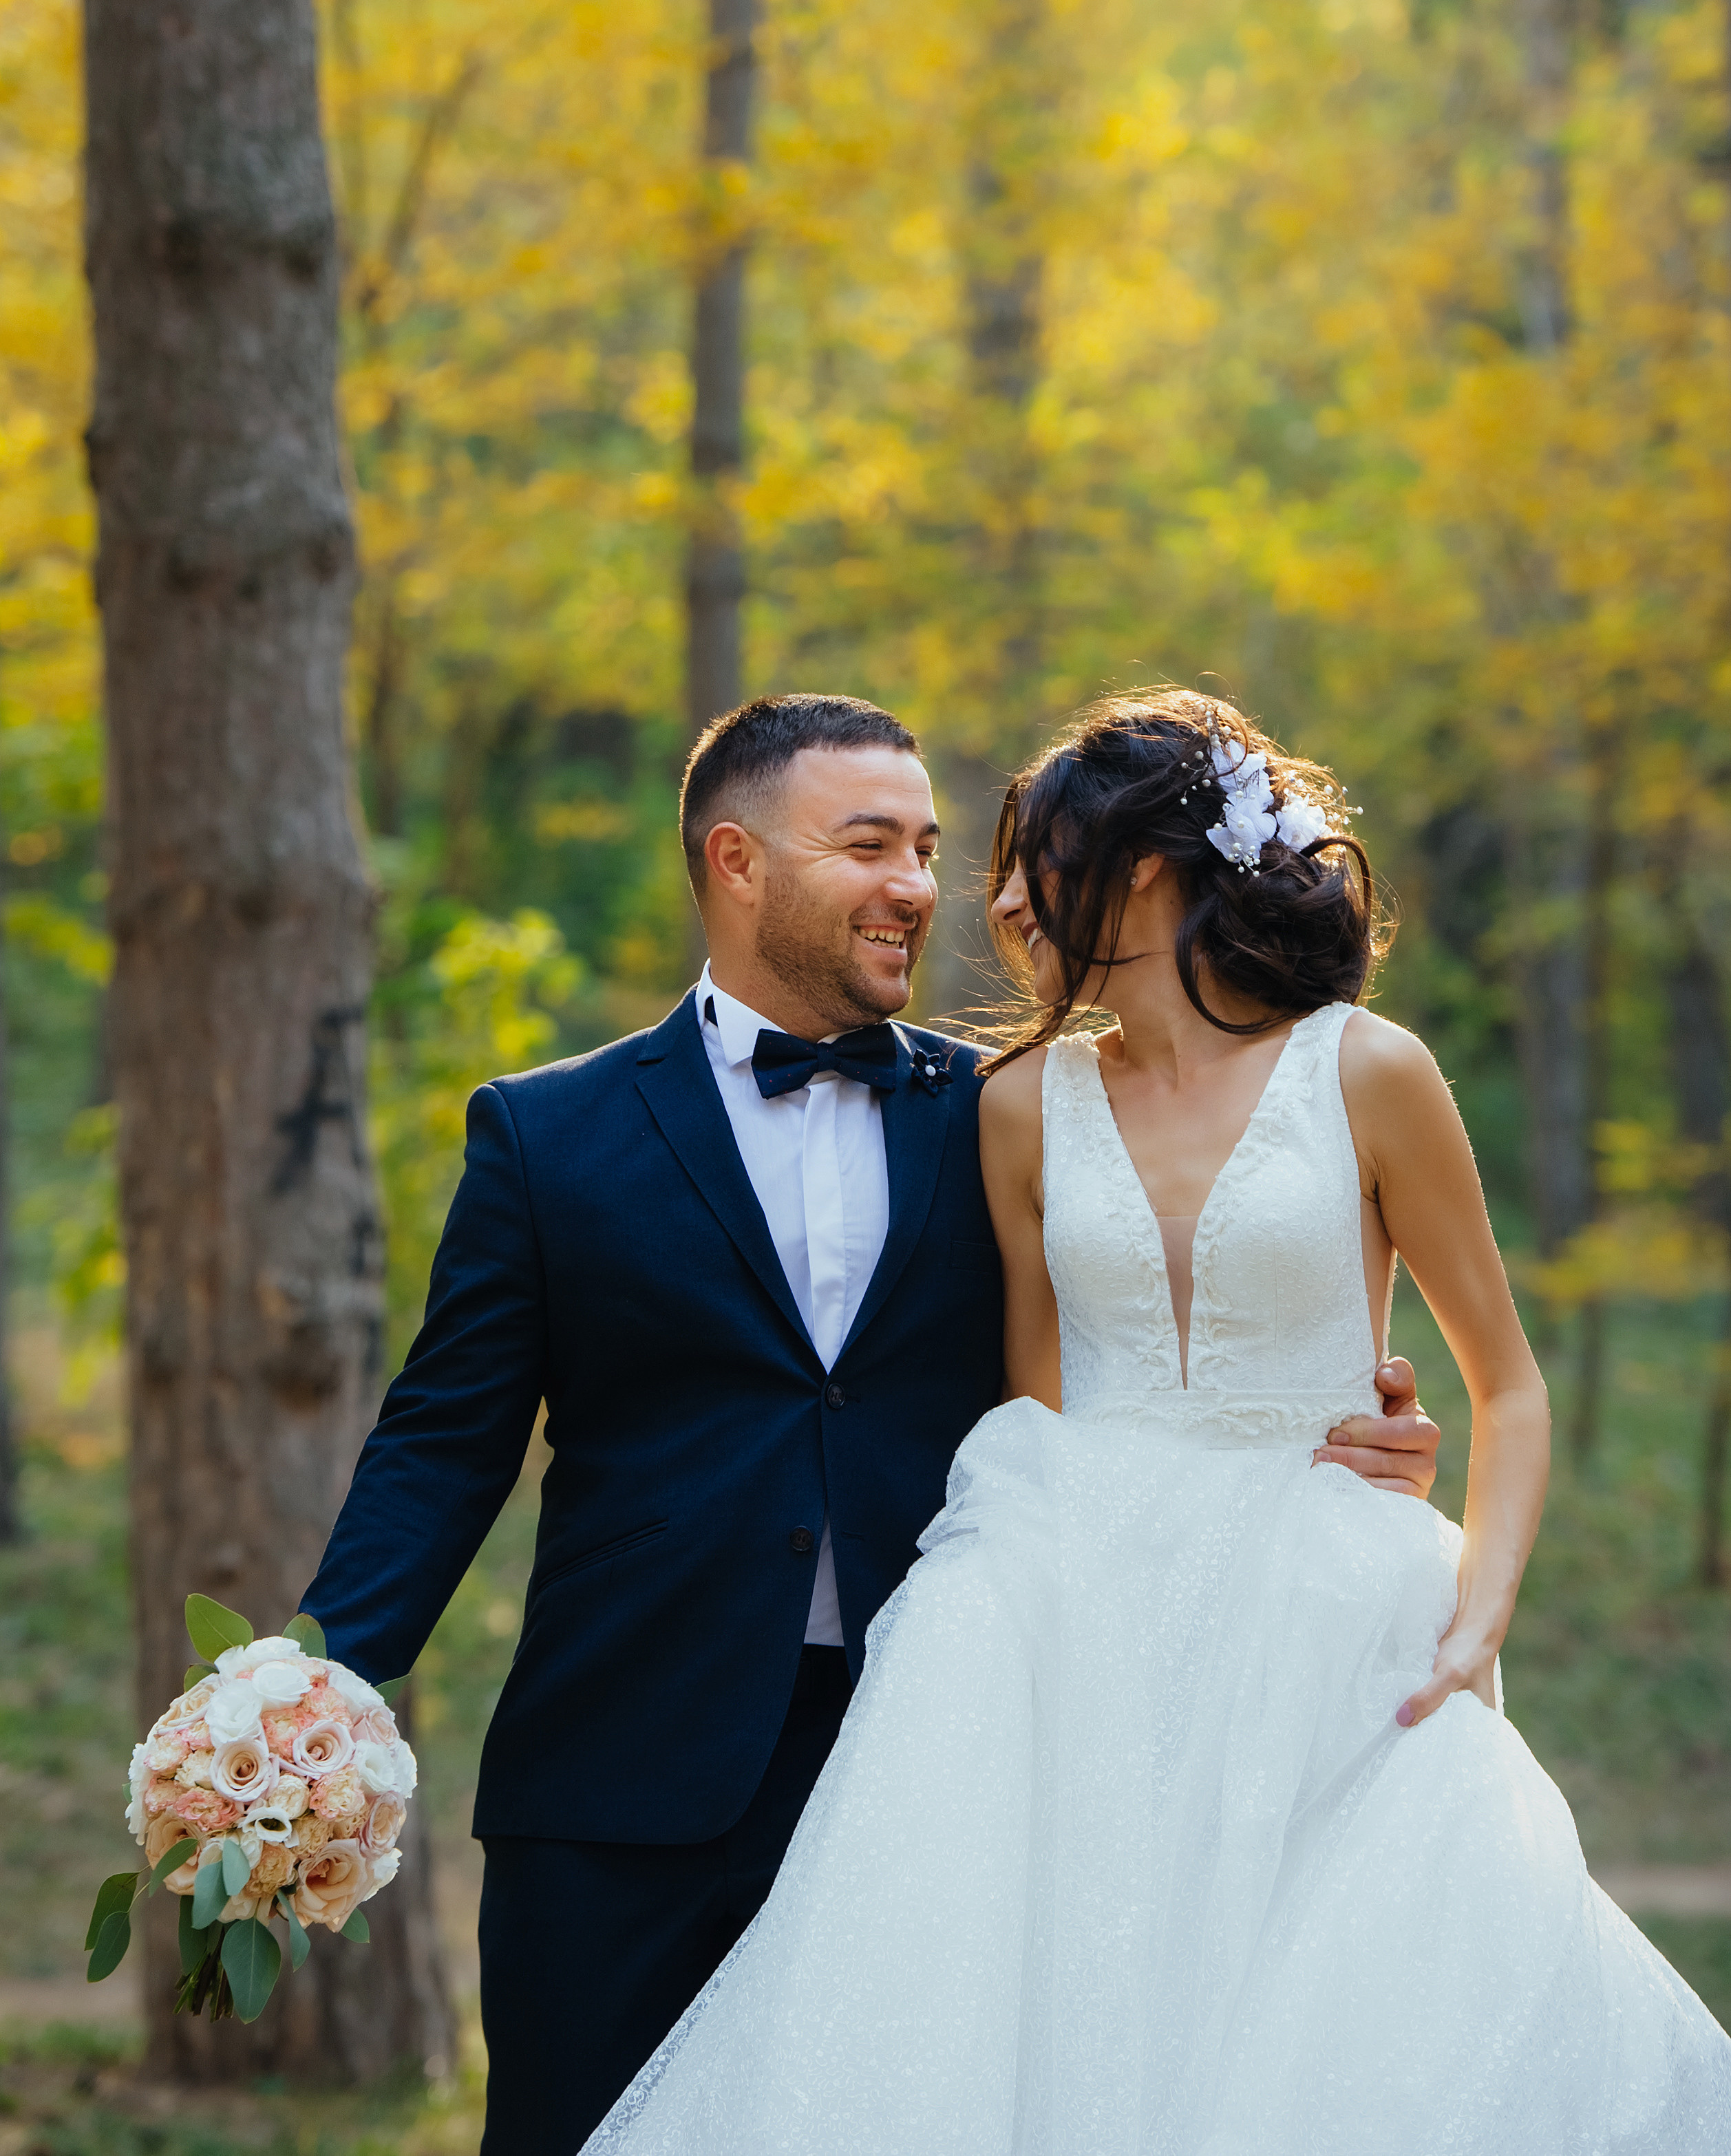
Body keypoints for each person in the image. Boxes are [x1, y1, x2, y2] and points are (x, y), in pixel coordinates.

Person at [578, 689, 1731, 2156]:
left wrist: (1478, 1605)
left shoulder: (1367, 1071)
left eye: (1025, 861)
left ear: (1140, 872)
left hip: (1325, 1601)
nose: (988, 901)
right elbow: (1030, 1394)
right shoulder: (1017, 1104)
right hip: (1070, 1605)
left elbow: (1505, 1377)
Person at [300, 692, 1439, 2153]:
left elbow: (1141, 1377)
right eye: (870, 846)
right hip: (616, 1786)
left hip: (940, 1766)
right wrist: (313, 1686)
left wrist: (1346, 1431)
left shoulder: (1020, 1113)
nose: (922, 886)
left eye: (928, 845)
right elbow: (442, 1444)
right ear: (737, 861)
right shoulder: (546, 1136)